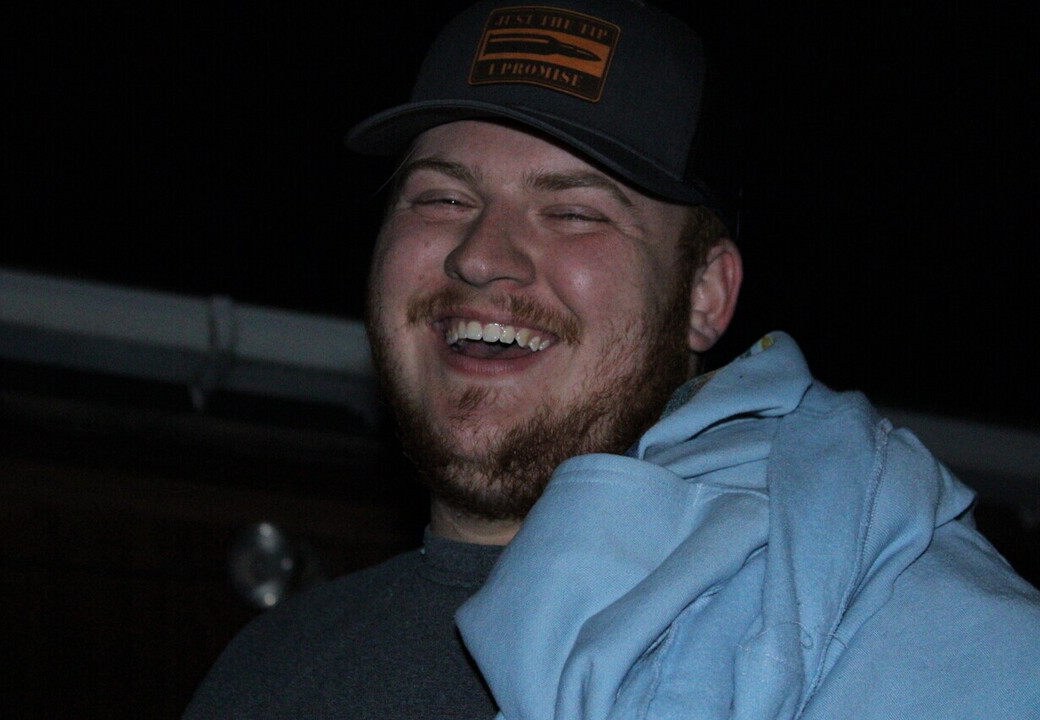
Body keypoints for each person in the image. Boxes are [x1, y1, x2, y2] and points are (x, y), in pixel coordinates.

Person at [184, 1, 1040, 718]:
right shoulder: (268, 672)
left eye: (573, 213)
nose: (480, 256)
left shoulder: (892, 633)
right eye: (442, 197)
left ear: (704, 294)